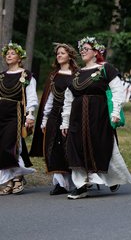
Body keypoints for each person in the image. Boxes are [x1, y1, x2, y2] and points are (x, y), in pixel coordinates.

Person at [61, 37, 131, 199]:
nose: (83, 52)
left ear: (96, 52)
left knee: (101, 146)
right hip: (77, 117)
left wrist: (115, 112)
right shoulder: (77, 73)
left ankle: (113, 178)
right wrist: (65, 121)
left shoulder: (106, 68)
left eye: (86, 49)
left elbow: (117, 91)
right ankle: (82, 185)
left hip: (98, 116)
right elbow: (68, 98)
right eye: (82, 50)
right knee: (77, 147)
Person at [40, 43, 79, 195]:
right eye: (58, 53)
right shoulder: (54, 75)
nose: (59, 55)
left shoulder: (77, 74)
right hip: (54, 115)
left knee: (68, 146)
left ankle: (75, 181)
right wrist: (44, 119)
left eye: (62, 53)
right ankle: (59, 183)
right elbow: (49, 98)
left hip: (71, 114)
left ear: (69, 55)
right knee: (53, 147)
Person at [0, 42, 38, 195]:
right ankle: (9, 180)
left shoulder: (26, 75)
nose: (9, 55)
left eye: (12, 53)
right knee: (0, 148)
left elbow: (31, 97)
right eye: (7, 54)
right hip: (0, 114)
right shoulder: (1, 76)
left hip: (15, 114)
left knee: (10, 146)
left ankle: (18, 176)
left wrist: (30, 115)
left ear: (19, 57)